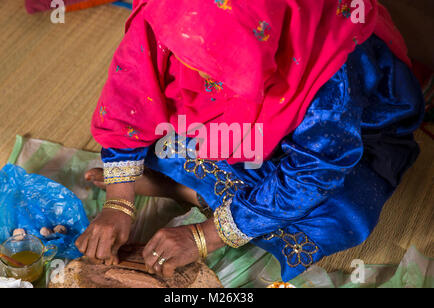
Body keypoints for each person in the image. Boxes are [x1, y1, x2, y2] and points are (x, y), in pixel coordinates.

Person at [75, 0, 425, 282]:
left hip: (341, 140)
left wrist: (206, 236)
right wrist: (118, 203)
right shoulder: (164, 12)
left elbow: (316, 170)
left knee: (347, 214)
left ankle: (187, 191)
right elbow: (131, 99)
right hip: (231, 133)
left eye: (220, 72)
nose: (198, 79)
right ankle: (196, 189)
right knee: (152, 138)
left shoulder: (331, 64)